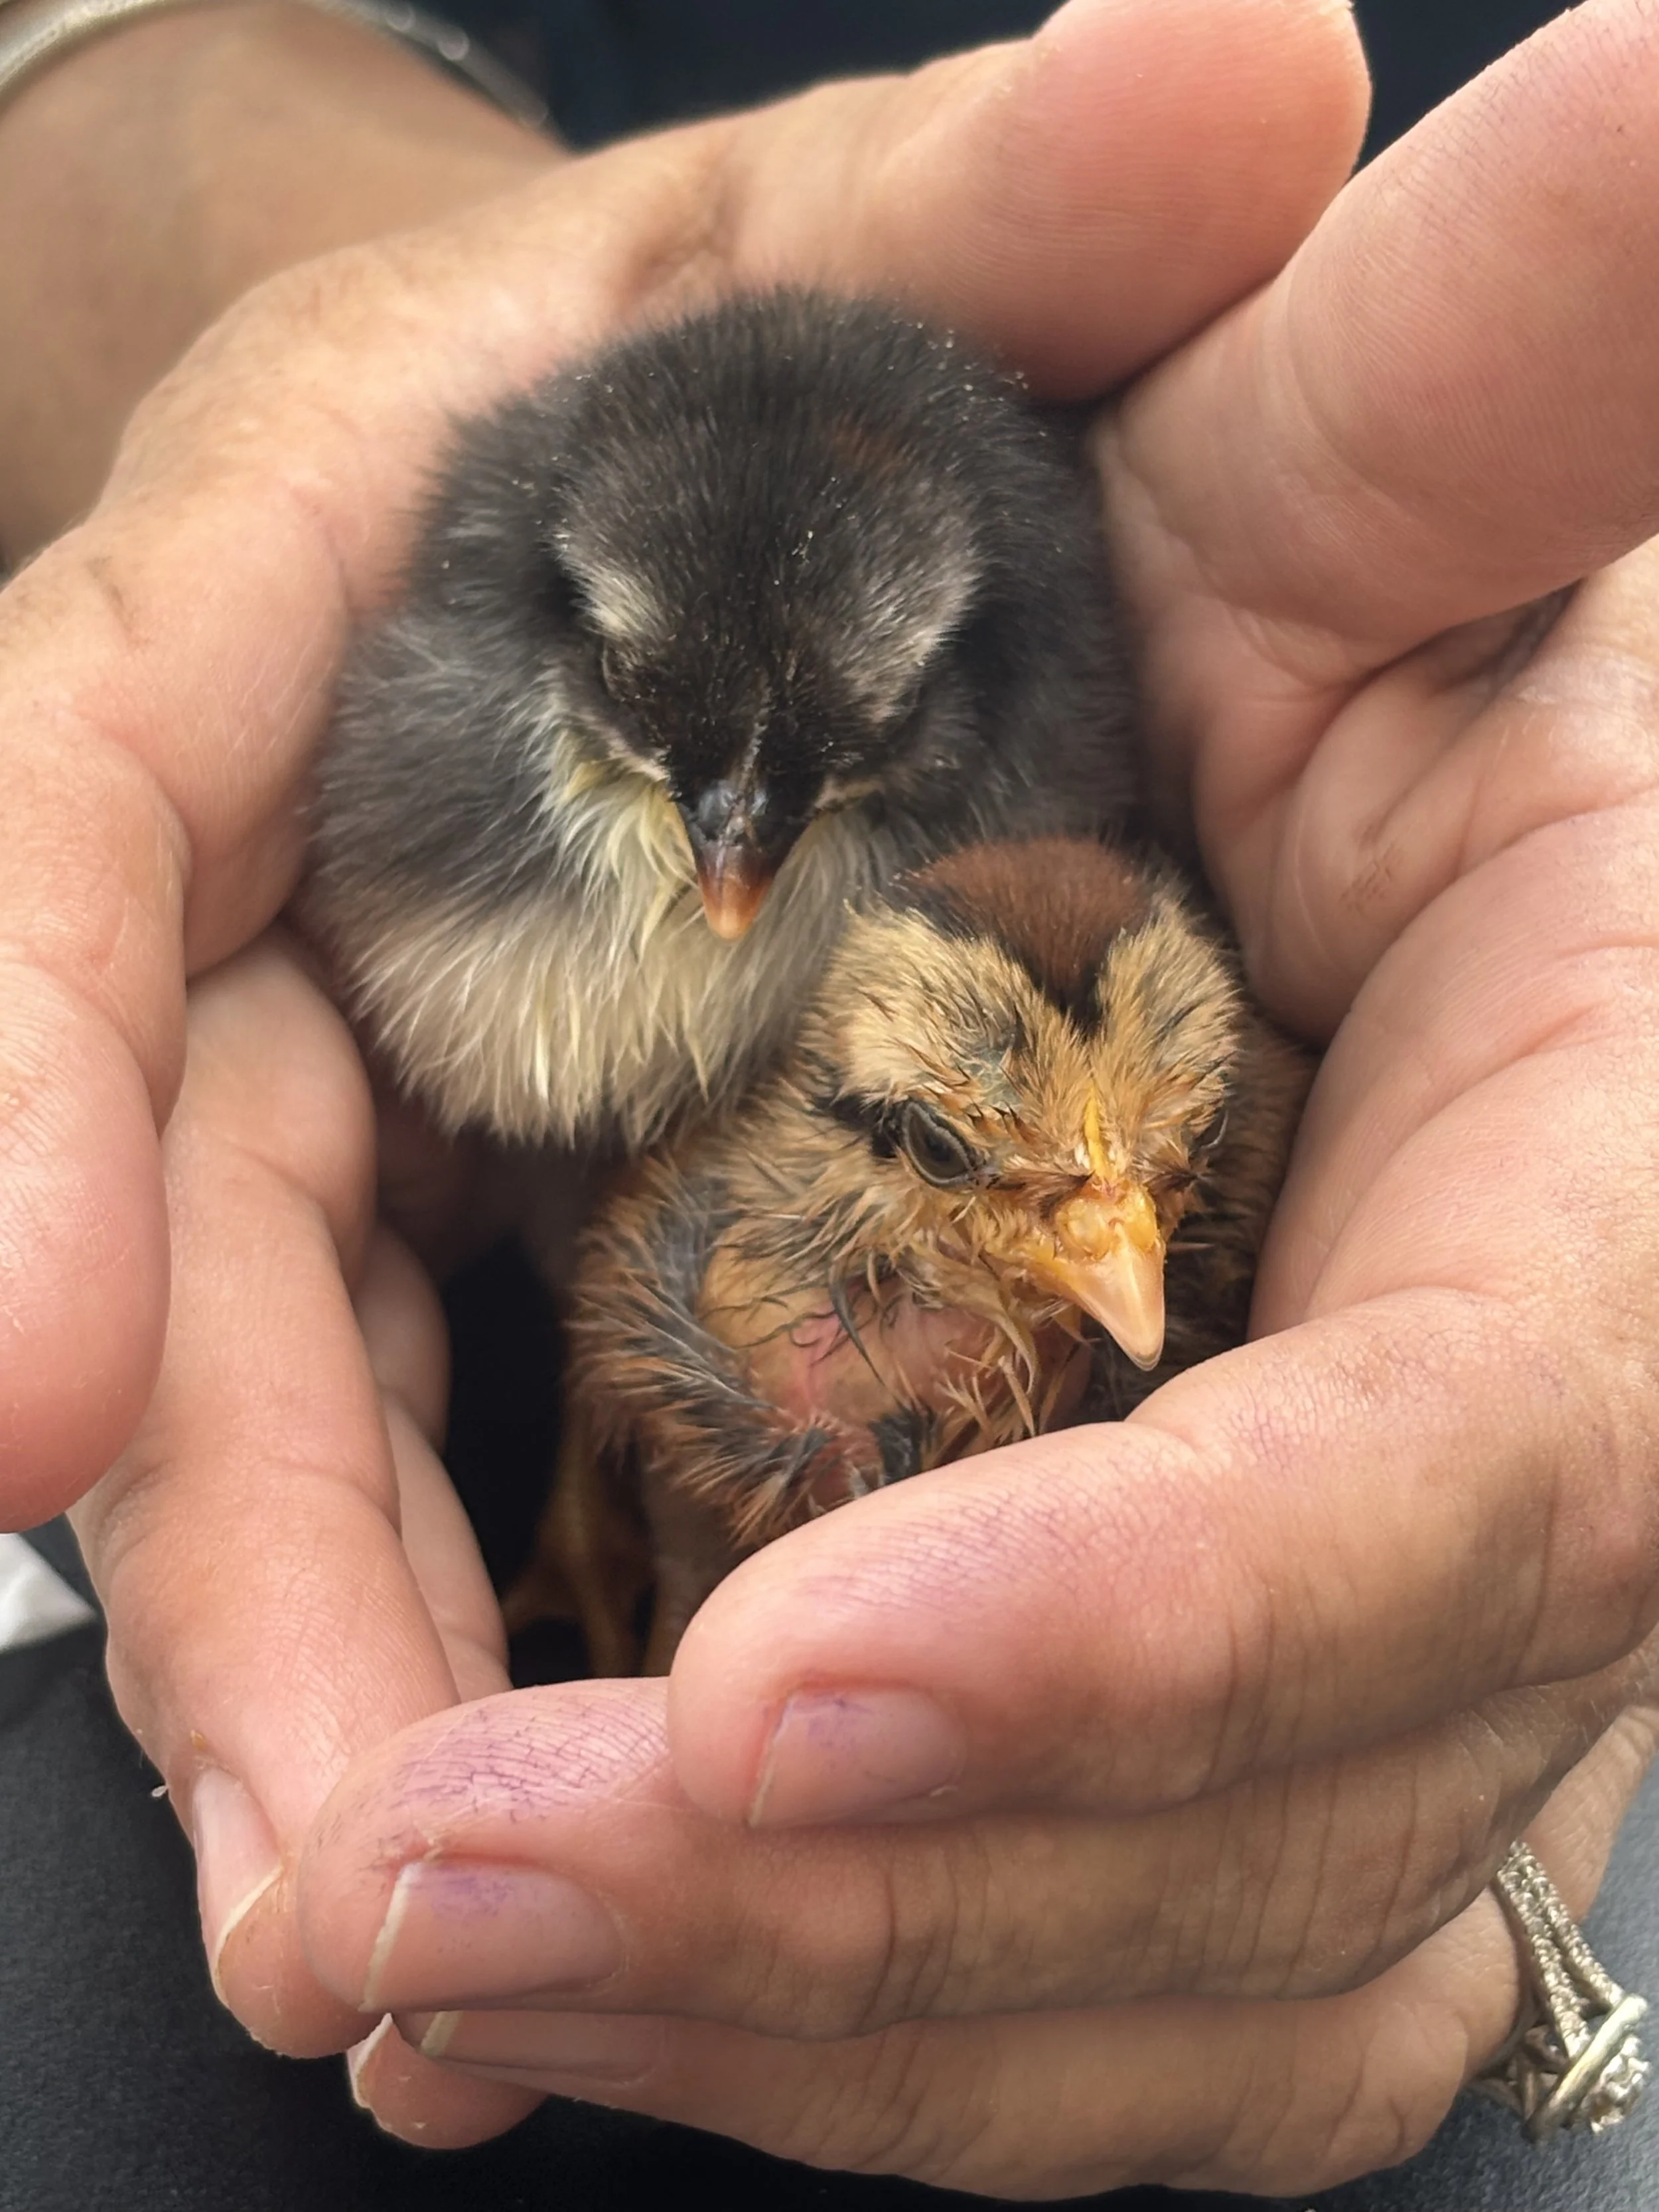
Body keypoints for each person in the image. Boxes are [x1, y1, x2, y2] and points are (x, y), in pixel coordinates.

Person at [4, 0, 1659, 2203]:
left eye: (799, 784)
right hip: (464, 1302)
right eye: (677, 758)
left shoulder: (1021, 760)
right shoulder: (471, 762)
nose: (732, 866)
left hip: (1396, 778)